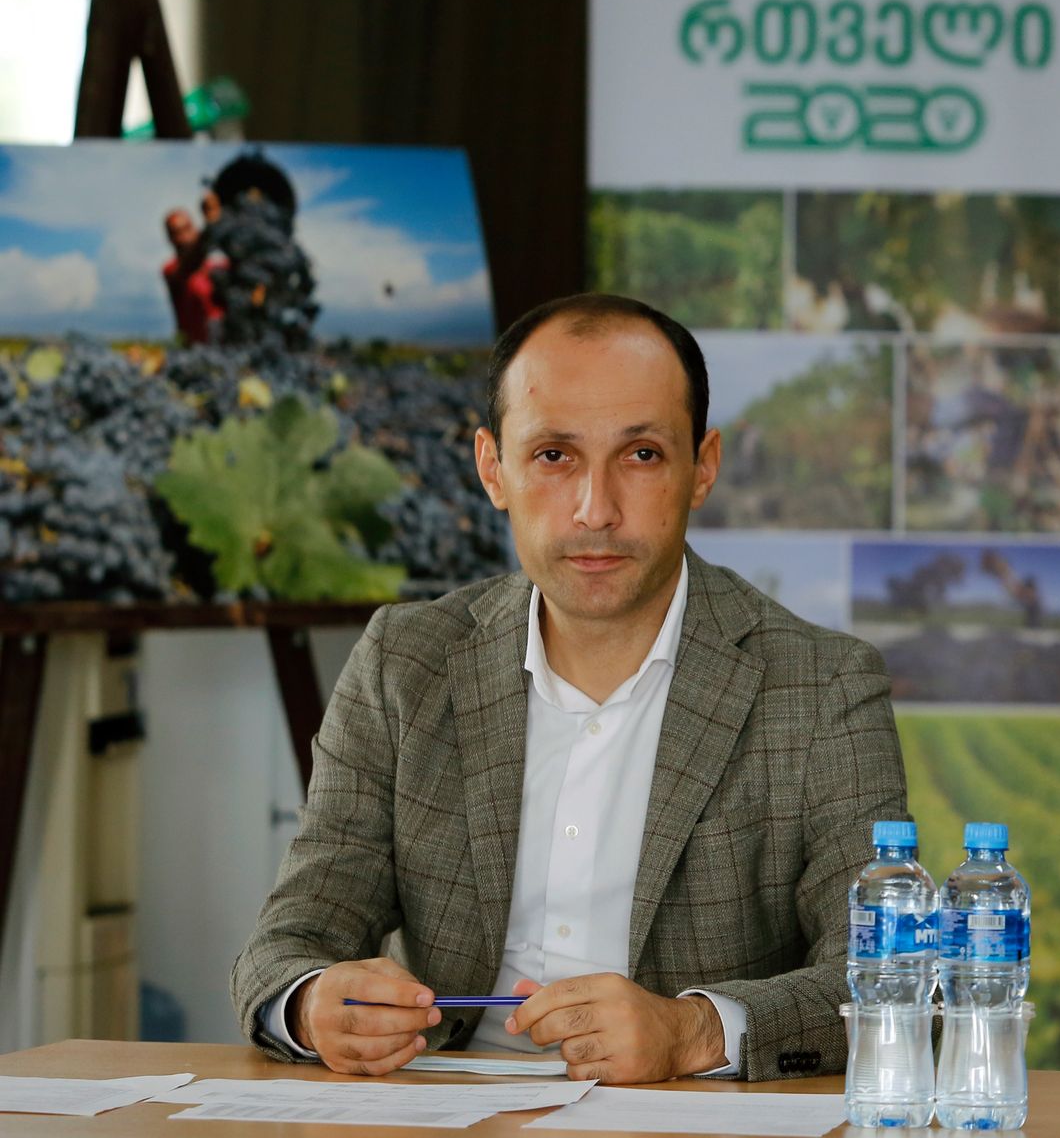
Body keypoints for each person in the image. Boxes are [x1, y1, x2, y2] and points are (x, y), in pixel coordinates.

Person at [232, 294, 911, 1082]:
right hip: (442, 1115)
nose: (596, 510)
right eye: (554, 455)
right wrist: (312, 1004)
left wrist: (693, 1030)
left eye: (642, 454)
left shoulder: (823, 687)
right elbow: (289, 941)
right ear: (493, 468)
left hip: (685, 1117)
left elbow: (895, 976)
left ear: (703, 467)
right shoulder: (405, 661)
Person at [161, 208, 225, 345]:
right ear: (170, 239)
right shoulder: (171, 271)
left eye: (187, 229)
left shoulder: (219, 266)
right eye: (177, 233)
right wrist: (212, 226)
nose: (184, 237)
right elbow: (190, 263)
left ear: (195, 229)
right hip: (196, 347)